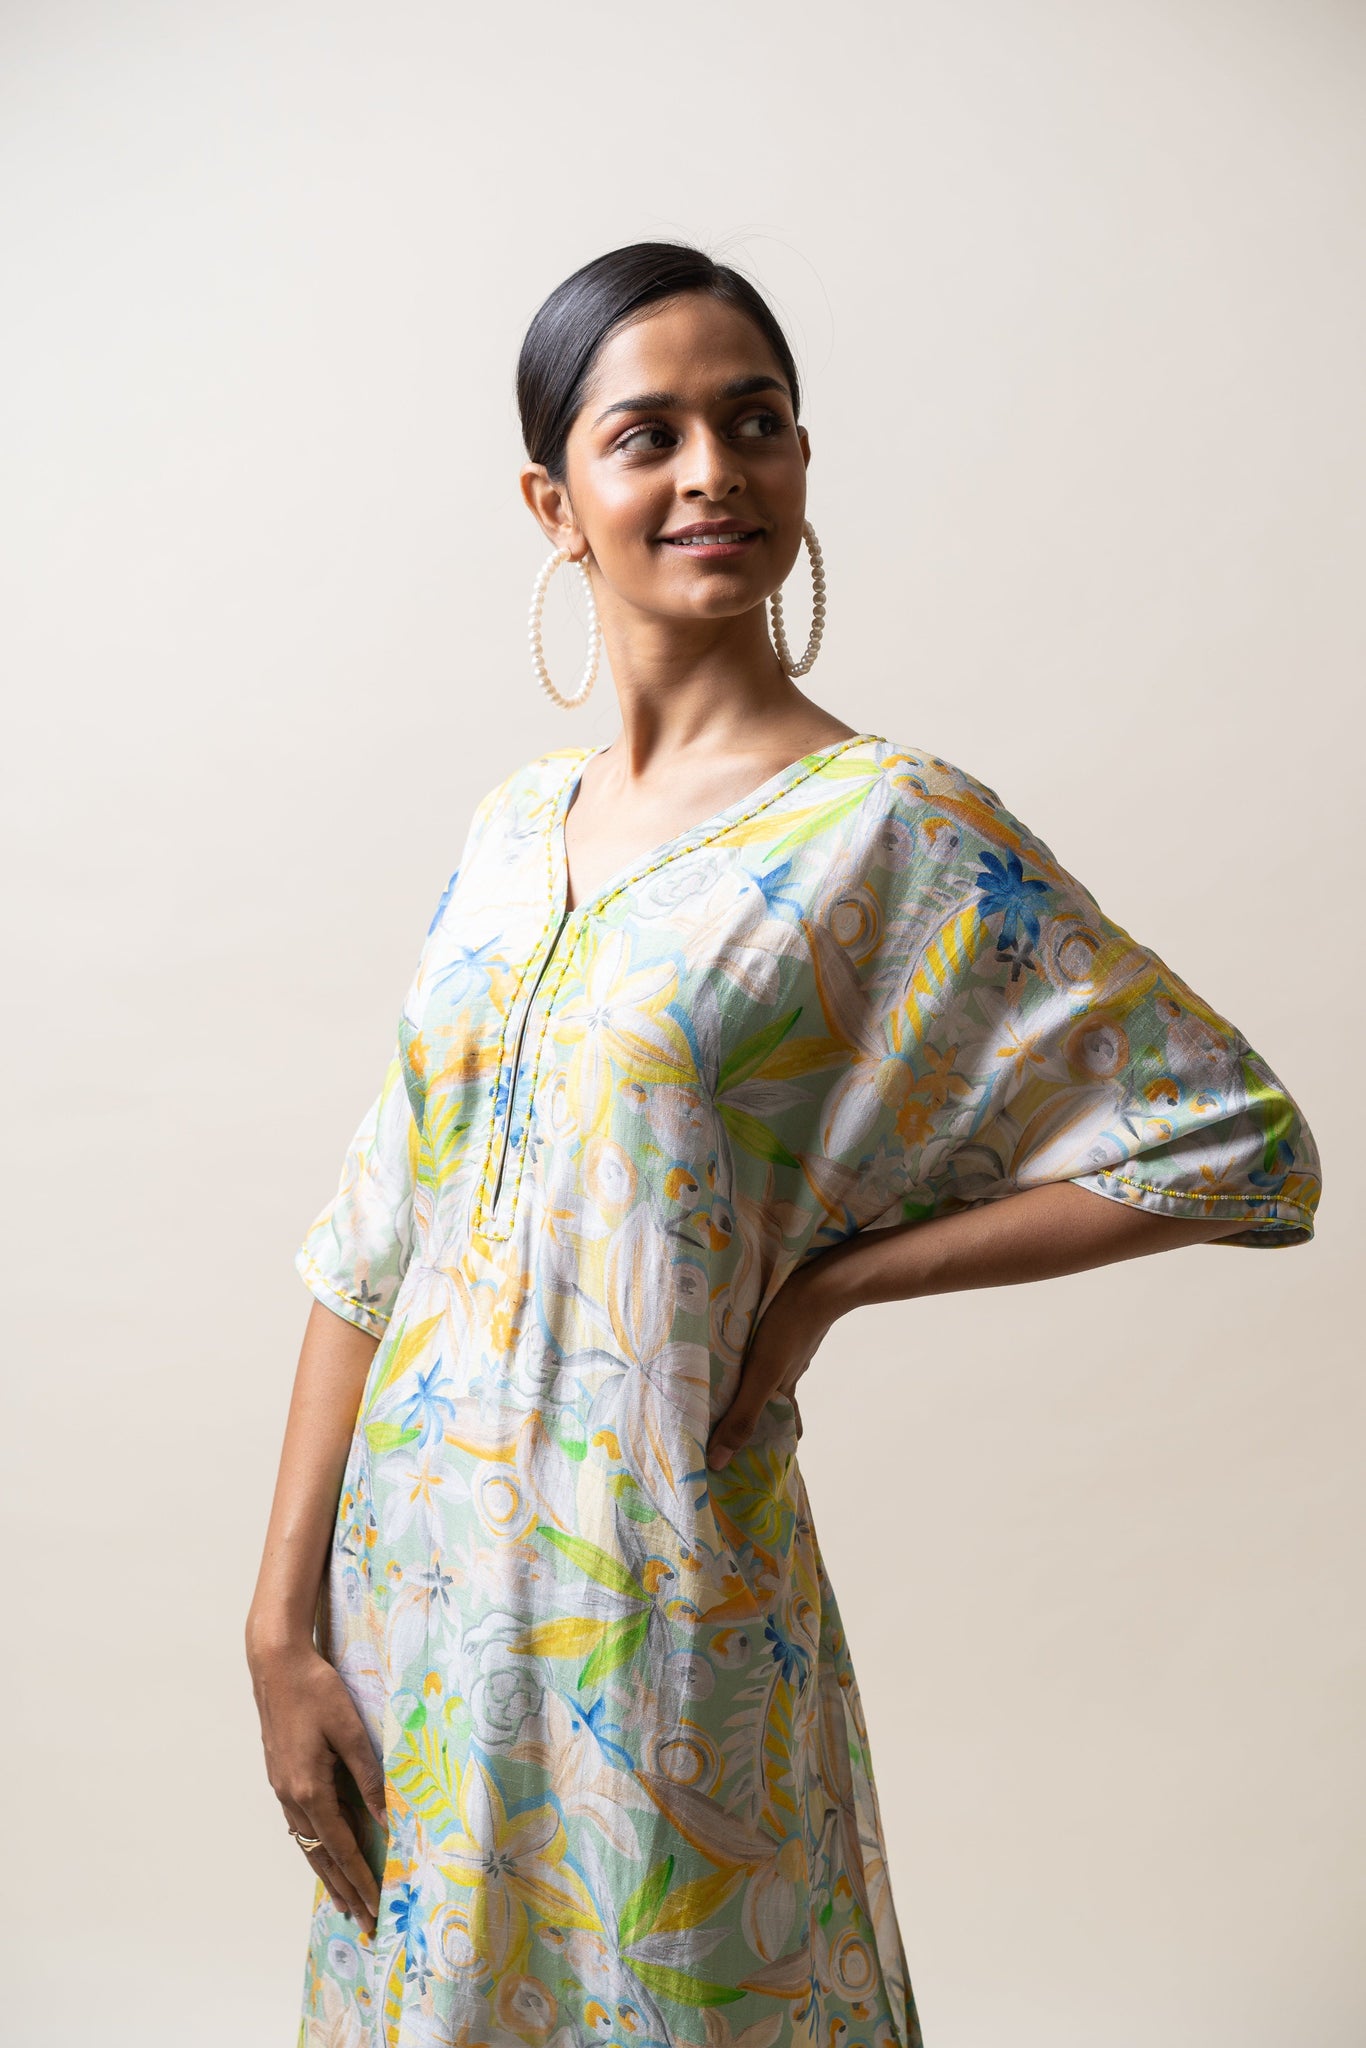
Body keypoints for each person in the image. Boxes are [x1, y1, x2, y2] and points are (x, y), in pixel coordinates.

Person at [246, 242, 1323, 2048]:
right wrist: (279, 1629)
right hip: (411, 1606)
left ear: (801, 461)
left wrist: (830, 1285)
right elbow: (374, 1240)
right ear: (553, 503)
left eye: (753, 425)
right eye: (645, 434)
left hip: (657, 1604)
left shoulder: (887, 828)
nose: (710, 473)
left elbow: (1235, 1143)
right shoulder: (507, 837)